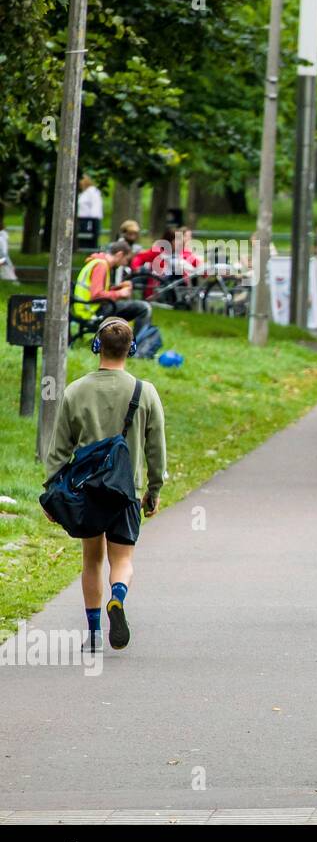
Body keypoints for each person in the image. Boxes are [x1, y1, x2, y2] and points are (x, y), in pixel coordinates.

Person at [43, 317, 167, 653]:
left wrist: (52, 497)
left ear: (97, 346)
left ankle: (95, 632)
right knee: (122, 560)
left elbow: (58, 450)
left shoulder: (76, 390)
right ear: (132, 348)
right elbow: (157, 449)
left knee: (92, 561)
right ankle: (118, 597)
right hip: (126, 491)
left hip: (87, 492)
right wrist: (153, 489)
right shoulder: (146, 392)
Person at [73, 240, 153, 335]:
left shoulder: (99, 262)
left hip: (88, 309)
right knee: (144, 308)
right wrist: (120, 293)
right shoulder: (101, 266)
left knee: (139, 307)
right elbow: (97, 295)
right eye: (126, 260)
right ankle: (139, 345)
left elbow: (96, 291)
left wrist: (118, 288)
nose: (124, 264)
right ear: (119, 254)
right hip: (92, 312)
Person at [77, 175, 104, 248]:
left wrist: (91, 223)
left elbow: (96, 208)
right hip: (82, 221)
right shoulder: (83, 193)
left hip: (90, 221)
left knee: (89, 242)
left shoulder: (93, 191)